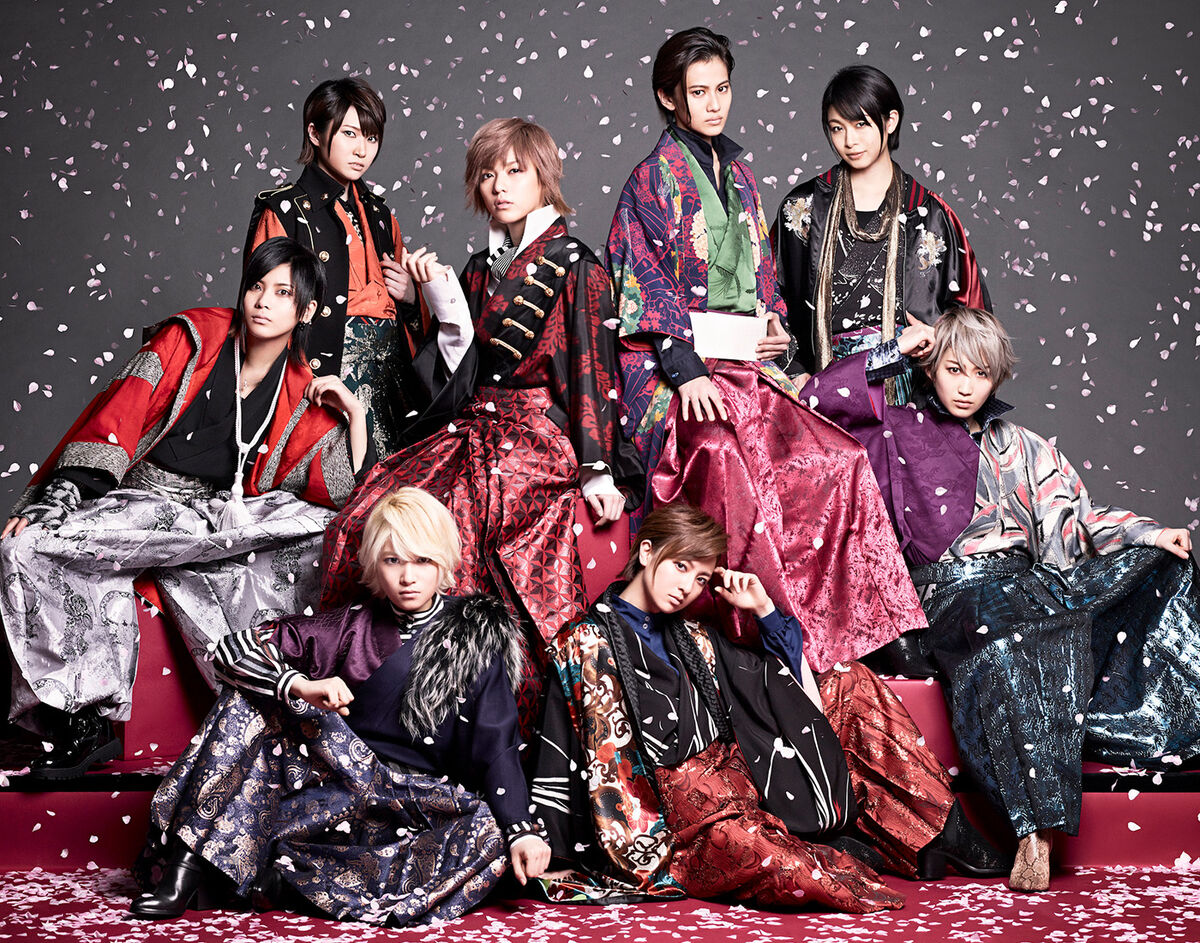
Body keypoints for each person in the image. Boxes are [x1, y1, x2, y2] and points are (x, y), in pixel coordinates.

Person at [801, 306, 1199, 891]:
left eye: (981, 373)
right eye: (954, 369)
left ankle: (1057, 805)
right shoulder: (895, 430)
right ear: (931, 367)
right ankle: (1033, 829)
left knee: (1132, 581)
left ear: (997, 379)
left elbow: (1078, 521)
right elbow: (813, 401)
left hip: (1028, 585)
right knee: (1008, 637)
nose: (966, 386)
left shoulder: (1023, 445)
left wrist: (1150, 534)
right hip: (951, 593)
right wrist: (894, 350)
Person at [608, 26, 924, 671]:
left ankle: (868, 631)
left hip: (745, 360)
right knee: (724, 455)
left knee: (838, 458)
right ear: (669, 98)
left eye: (722, 89)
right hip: (674, 368)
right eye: (698, 92)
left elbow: (766, 281)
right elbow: (641, 283)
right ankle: (770, 637)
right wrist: (684, 369)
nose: (714, 104)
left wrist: (775, 324)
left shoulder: (744, 178)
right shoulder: (649, 181)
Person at [1, 237, 370, 779]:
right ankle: (83, 718)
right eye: (257, 286)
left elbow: (339, 489)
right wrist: (61, 497)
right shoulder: (191, 337)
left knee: (324, 534)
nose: (263, 302)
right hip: (146, 500)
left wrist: (356, 414)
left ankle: (282, 723)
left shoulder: (300, 385)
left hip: (221, 517)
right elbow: (120, 415)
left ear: (307, 311)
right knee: (29, 545)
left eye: (283, 293)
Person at [319, 118, 642, 728]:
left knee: (460, 522)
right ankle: (365, 690)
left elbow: (592, 368)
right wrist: (431, 304)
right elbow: (456, 371)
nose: (500, 186)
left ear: (544, 177)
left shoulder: (576, 263)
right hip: (471, 423)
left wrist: (598, 469)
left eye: (515, 171)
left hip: (537, 433)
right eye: (488, 174)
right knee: (371, 511)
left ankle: (466, 711)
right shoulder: (475, 267)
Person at [530, 503, 1008, 911]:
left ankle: (944, 830)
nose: (687, 587)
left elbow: (772, 682)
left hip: (750, 774)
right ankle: (823, 845)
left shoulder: (694, 637)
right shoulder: (584, 644)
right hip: (685, 820)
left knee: (849, 681)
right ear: (648, 551)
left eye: (700, 578)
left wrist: (763, 609)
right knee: (784, 866)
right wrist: (546, 840)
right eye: (680, 566)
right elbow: (561, 745)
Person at [130, 487, 550, 925]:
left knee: (489, 836)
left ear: (443, 562)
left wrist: (520, 830)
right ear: (374, 565)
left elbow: (497, 744)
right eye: (393, 560)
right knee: (251, 699)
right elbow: (229, 651)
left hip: (415, 802)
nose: (408, 577)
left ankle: (280, 883)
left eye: (423, 560)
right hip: (340, 787)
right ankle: (187, 866)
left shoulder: (476, 633)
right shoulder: (349, 625)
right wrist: (300, 685)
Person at [244, 76, 439, 455]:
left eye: (371, 138)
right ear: (315, 134)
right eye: (349, 134)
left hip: (395, 382)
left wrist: (412, 298)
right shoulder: (285, 211)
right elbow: (261, 309)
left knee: (403, 478)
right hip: (319, 374)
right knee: (335, 479)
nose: (361, 150)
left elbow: (414, 323)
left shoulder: (382, 217)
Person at [774, 65, 991, 402]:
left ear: (890, 121)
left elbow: (973, 318)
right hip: (821, 389)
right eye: (837, 128)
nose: (849, 141)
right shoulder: (802, 208)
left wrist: (939, 342)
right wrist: (796, 372)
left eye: (861, 124)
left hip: (911, 395)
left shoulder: (930, 214)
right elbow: (770, 295)